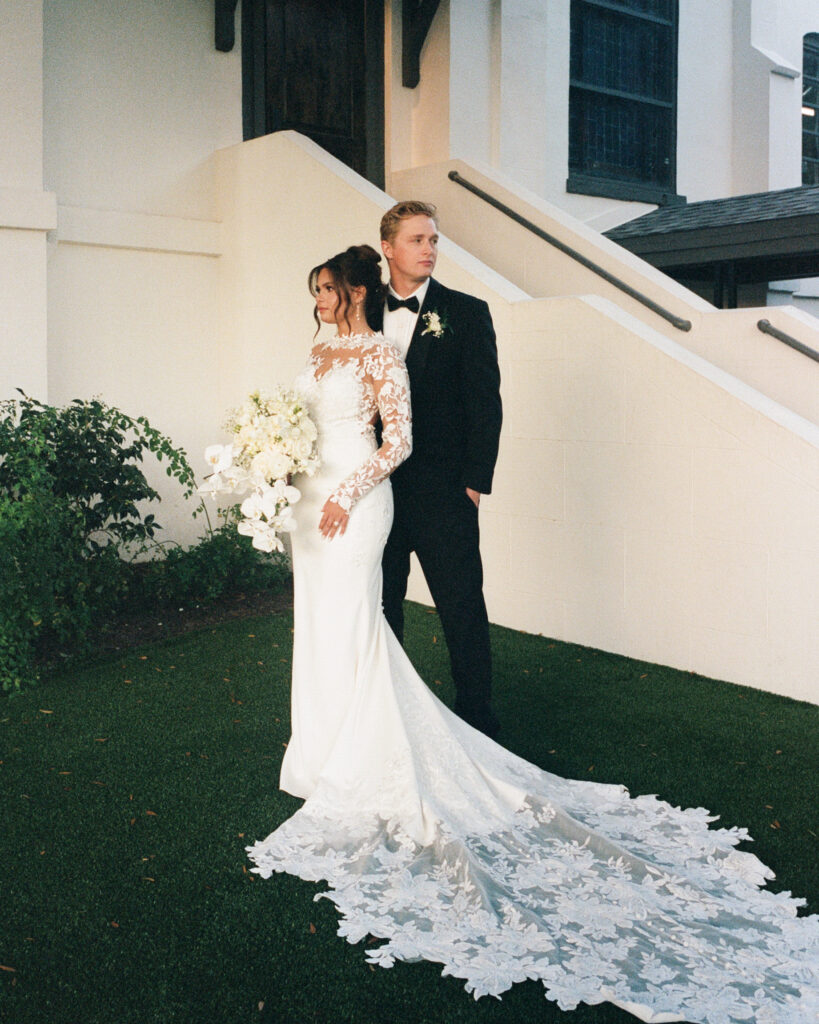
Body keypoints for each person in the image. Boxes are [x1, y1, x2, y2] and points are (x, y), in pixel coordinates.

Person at [247, 245, 818, 1022]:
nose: (317, 299)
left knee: (360, 625)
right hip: (310, 506)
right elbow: (304, 422)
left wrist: (346, 493)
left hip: (354, 503)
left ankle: (364, 757)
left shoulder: (382, 349)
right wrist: (276, 468)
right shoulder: (317, 348)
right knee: (318, 627)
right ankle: (314, 751)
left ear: (353, 290)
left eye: (326, 288)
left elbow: (399, 440)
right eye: (311, 288)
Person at [380, 201, 502, 739]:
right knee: (382, 609)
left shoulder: (467, 312)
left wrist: (474, 485)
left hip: (445, 494)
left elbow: (486, 403)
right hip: (377, 497)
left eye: (433, 240)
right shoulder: (360, 314)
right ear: (388, 248)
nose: (429, 249)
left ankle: (478, 717)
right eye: (417, 240)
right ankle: (387, 713)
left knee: (461, 609)